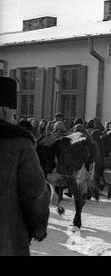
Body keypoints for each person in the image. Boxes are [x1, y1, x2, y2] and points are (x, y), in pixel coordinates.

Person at [0, 76, 50, 256]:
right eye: (14, 115)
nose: (15, 120)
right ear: (5, 111)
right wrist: (38, 228)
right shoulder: (19, 143)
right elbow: (35, 193)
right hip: (7, 239)